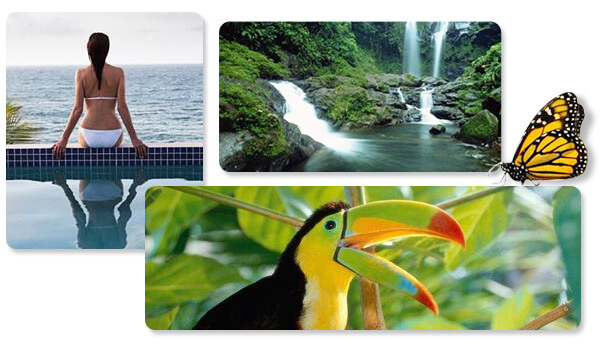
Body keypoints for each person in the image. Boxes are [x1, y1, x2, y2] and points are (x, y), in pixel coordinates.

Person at [53, 32, 147, 158]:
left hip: (88, 135)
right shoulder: (118, 73)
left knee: (85, 177)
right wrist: (134, 139)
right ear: (107, 49)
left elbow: (77, 109)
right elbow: (122, 108)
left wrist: (64, 139)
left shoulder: (81, 73)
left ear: (88, 48)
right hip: (113, 134)